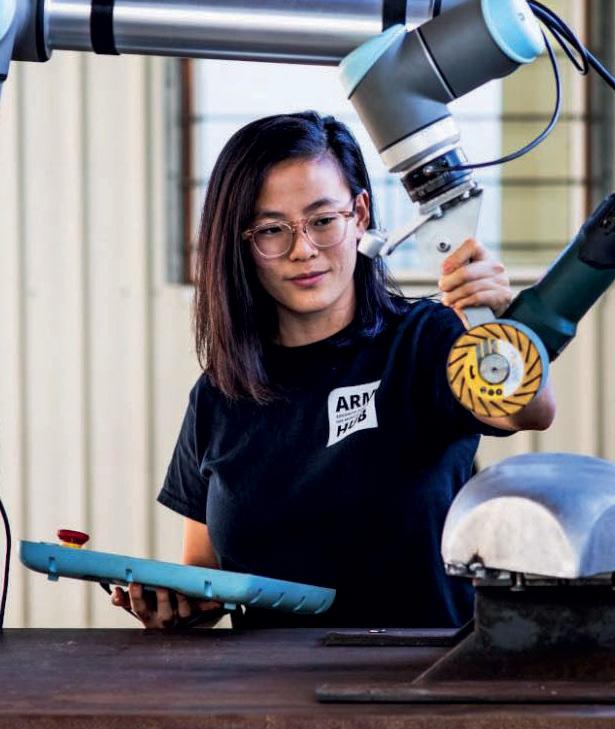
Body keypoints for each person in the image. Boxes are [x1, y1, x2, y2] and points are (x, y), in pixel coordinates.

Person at [111, 111, 556, 629]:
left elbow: (530, 411)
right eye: (271, 230)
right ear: (240, 243)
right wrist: (176, 609)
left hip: (421, 673)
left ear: (360, 215)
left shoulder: (426, 341)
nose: (303, 250)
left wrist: (497, 325)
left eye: (323, 221)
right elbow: (204, 572)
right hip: (263, 680)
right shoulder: (220, 393)